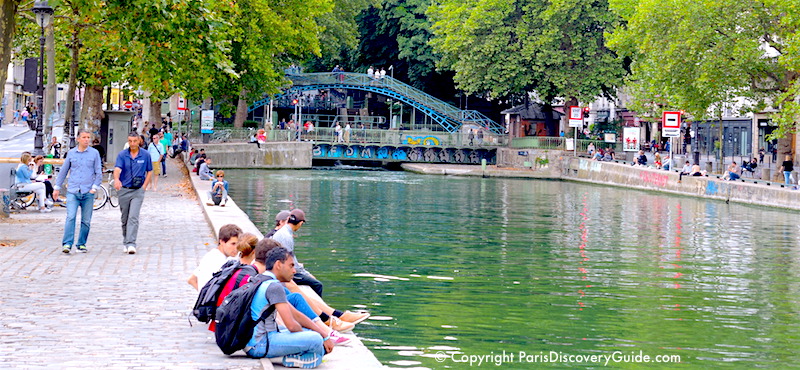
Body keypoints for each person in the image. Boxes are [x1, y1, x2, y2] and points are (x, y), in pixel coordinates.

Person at [244, 246, 332, 367]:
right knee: (315, 340)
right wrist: (316, 337)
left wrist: (324, 335)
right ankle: (294, 359)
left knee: (316, 335)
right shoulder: (274, 287)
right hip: (259, 345)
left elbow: (296, 314)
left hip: (256, 342)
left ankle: (302, 352)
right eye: (291, 266)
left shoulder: (262, 279)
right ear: (279, 265)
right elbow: (291, 325)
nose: (294, 270)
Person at [53, 130, 103, 253]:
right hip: (73, 190)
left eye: (88, 137)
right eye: (84, 137)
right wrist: (57, 188)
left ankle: (81, 243)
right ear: (78, 139)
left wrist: (94, 188)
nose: (86, 140)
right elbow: (64, 171)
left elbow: (98, 172)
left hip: (88, 191)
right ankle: (67, 243)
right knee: (70, 217)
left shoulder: (94, 153)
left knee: (86, 220)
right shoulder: (71, 153)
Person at [114, 132, 153, 254]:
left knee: (133, 217)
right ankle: (126, 241)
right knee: (125, 218)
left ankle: (131, 243)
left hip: (138, 190)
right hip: (124, 190)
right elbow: (117, 169)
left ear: (139, 141)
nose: (132, 143)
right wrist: (116, 179)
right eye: (130, 141)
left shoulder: (145, 155)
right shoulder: (122, 155)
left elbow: (150, 171)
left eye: (135, 141)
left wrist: (144, 186)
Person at [270, 209, 324, 297]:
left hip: (278, 266)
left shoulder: (283, 232)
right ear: (300, 223)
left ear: (288, 219)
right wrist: (307, 274)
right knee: (317, 285)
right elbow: (290, 261)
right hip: (283, 270)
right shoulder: (286, 236)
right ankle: (316, 310)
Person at [188, 224, 242, 290]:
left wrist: (203, 297)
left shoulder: (210, 255)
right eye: (233, 244)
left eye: (238, 244)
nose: (236, 248)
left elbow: (192, 279)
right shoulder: (221, 262)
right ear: (222, 242)